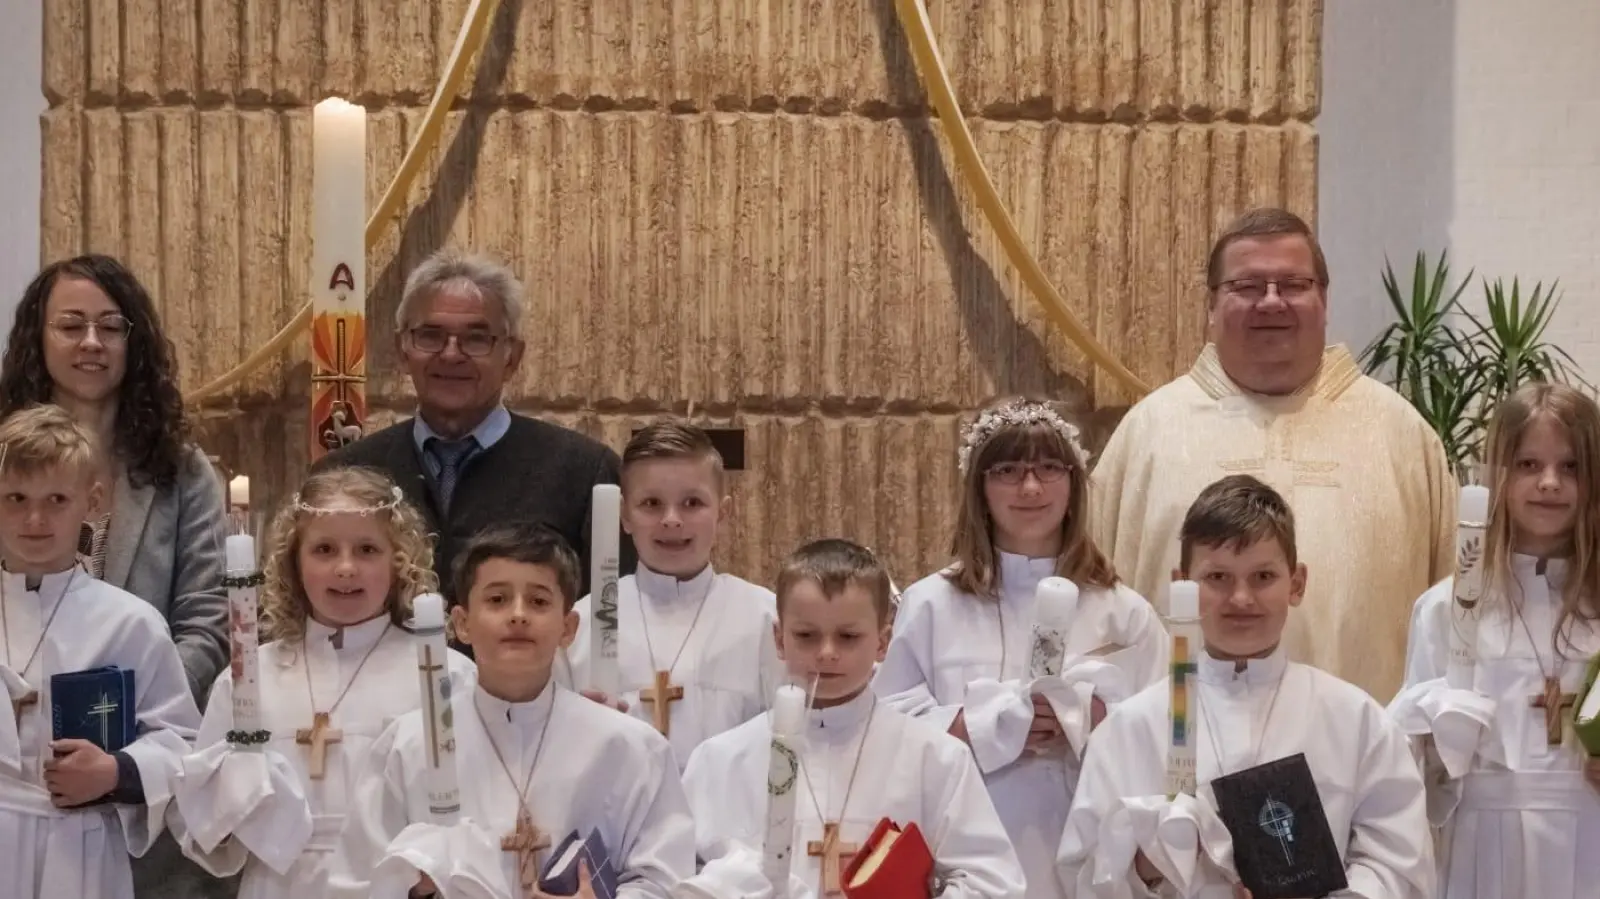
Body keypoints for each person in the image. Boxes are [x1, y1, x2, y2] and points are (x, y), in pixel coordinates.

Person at [1088, 207, 1455, 703]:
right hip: (1180, 737)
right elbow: (1093, 607)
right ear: (1211, 306)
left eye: (1294, 285)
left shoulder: (1400, 434)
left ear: (1324, 300)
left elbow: (1458, 607)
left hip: (1360, 741)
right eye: (1247, 286)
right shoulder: (1148, 433)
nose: (1271, 301)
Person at [1060, 475, 1433, 898]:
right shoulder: (1130, 729)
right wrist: (1146, 868)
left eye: (1263, 576)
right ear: (1182, 585)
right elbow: (1083, 875)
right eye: (1218, 576)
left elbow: (1398, 861)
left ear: (1297, 583)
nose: (1240, 598)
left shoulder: (1356, 720)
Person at [873, 397, 1168, 899]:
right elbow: (885, 728)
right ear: (979, 488)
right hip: (967, 853)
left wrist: (1093, 718)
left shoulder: (1123, 612)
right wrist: (981, 726)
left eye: (1049, 468)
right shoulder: (931, 605)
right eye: (1007, 470)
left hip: (1087, 856)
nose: (1030, 487)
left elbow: (1169, 731)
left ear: (1073, 484)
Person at [330, 523, 694, 898]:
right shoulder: (408, 747)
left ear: (568, 628)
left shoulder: (628, 748)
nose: (518, 615)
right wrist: (411, 886)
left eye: (538, 602)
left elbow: (665, 878)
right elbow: (355, 881)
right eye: (497, 599)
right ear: (462, 624)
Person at [166, 467, 475, 897]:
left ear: (399, 561)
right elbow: (199, 826)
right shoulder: (252, 675)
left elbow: (479, 799)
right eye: (324, 549)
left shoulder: (443, 674)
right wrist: (231, 798)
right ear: (294, 562)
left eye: (367, 549)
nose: (345, 568)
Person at [679, 539, 1027, 899]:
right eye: (806, 636)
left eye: (848, 637)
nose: (827, 653)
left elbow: (991, 882)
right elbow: (680, 878)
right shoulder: (719, 761)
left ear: (882, 642)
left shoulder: (936, 758)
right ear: (779, 639)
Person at [313, 249, 635, 604]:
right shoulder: (346, 473)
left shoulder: (584, 474)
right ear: (402, 351)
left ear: (512, 358)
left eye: (476, 339)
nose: (451, 354)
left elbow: (618, 610)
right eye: (430, 335)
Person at [1390, 382, 1600, 897]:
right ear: (1498, 475)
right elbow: (1407, 763)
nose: (1549, 483)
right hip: (1481, 845)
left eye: (1570, 467)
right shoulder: (1447, 607)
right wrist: (1435, 734)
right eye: (1528, 464)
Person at [0, 404, 200, 899]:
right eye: (16, 498)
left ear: (92, 502)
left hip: (79, 848)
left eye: (57, 499)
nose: (35, 518)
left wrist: (115, 772)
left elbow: (182, 745)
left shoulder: (130, 624)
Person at [559, 420, 783, 769]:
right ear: (624, 515)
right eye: (651, 503)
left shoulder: (766, 619)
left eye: (692, 502)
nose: (672, 520)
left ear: (723, 513)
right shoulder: (582, 624)